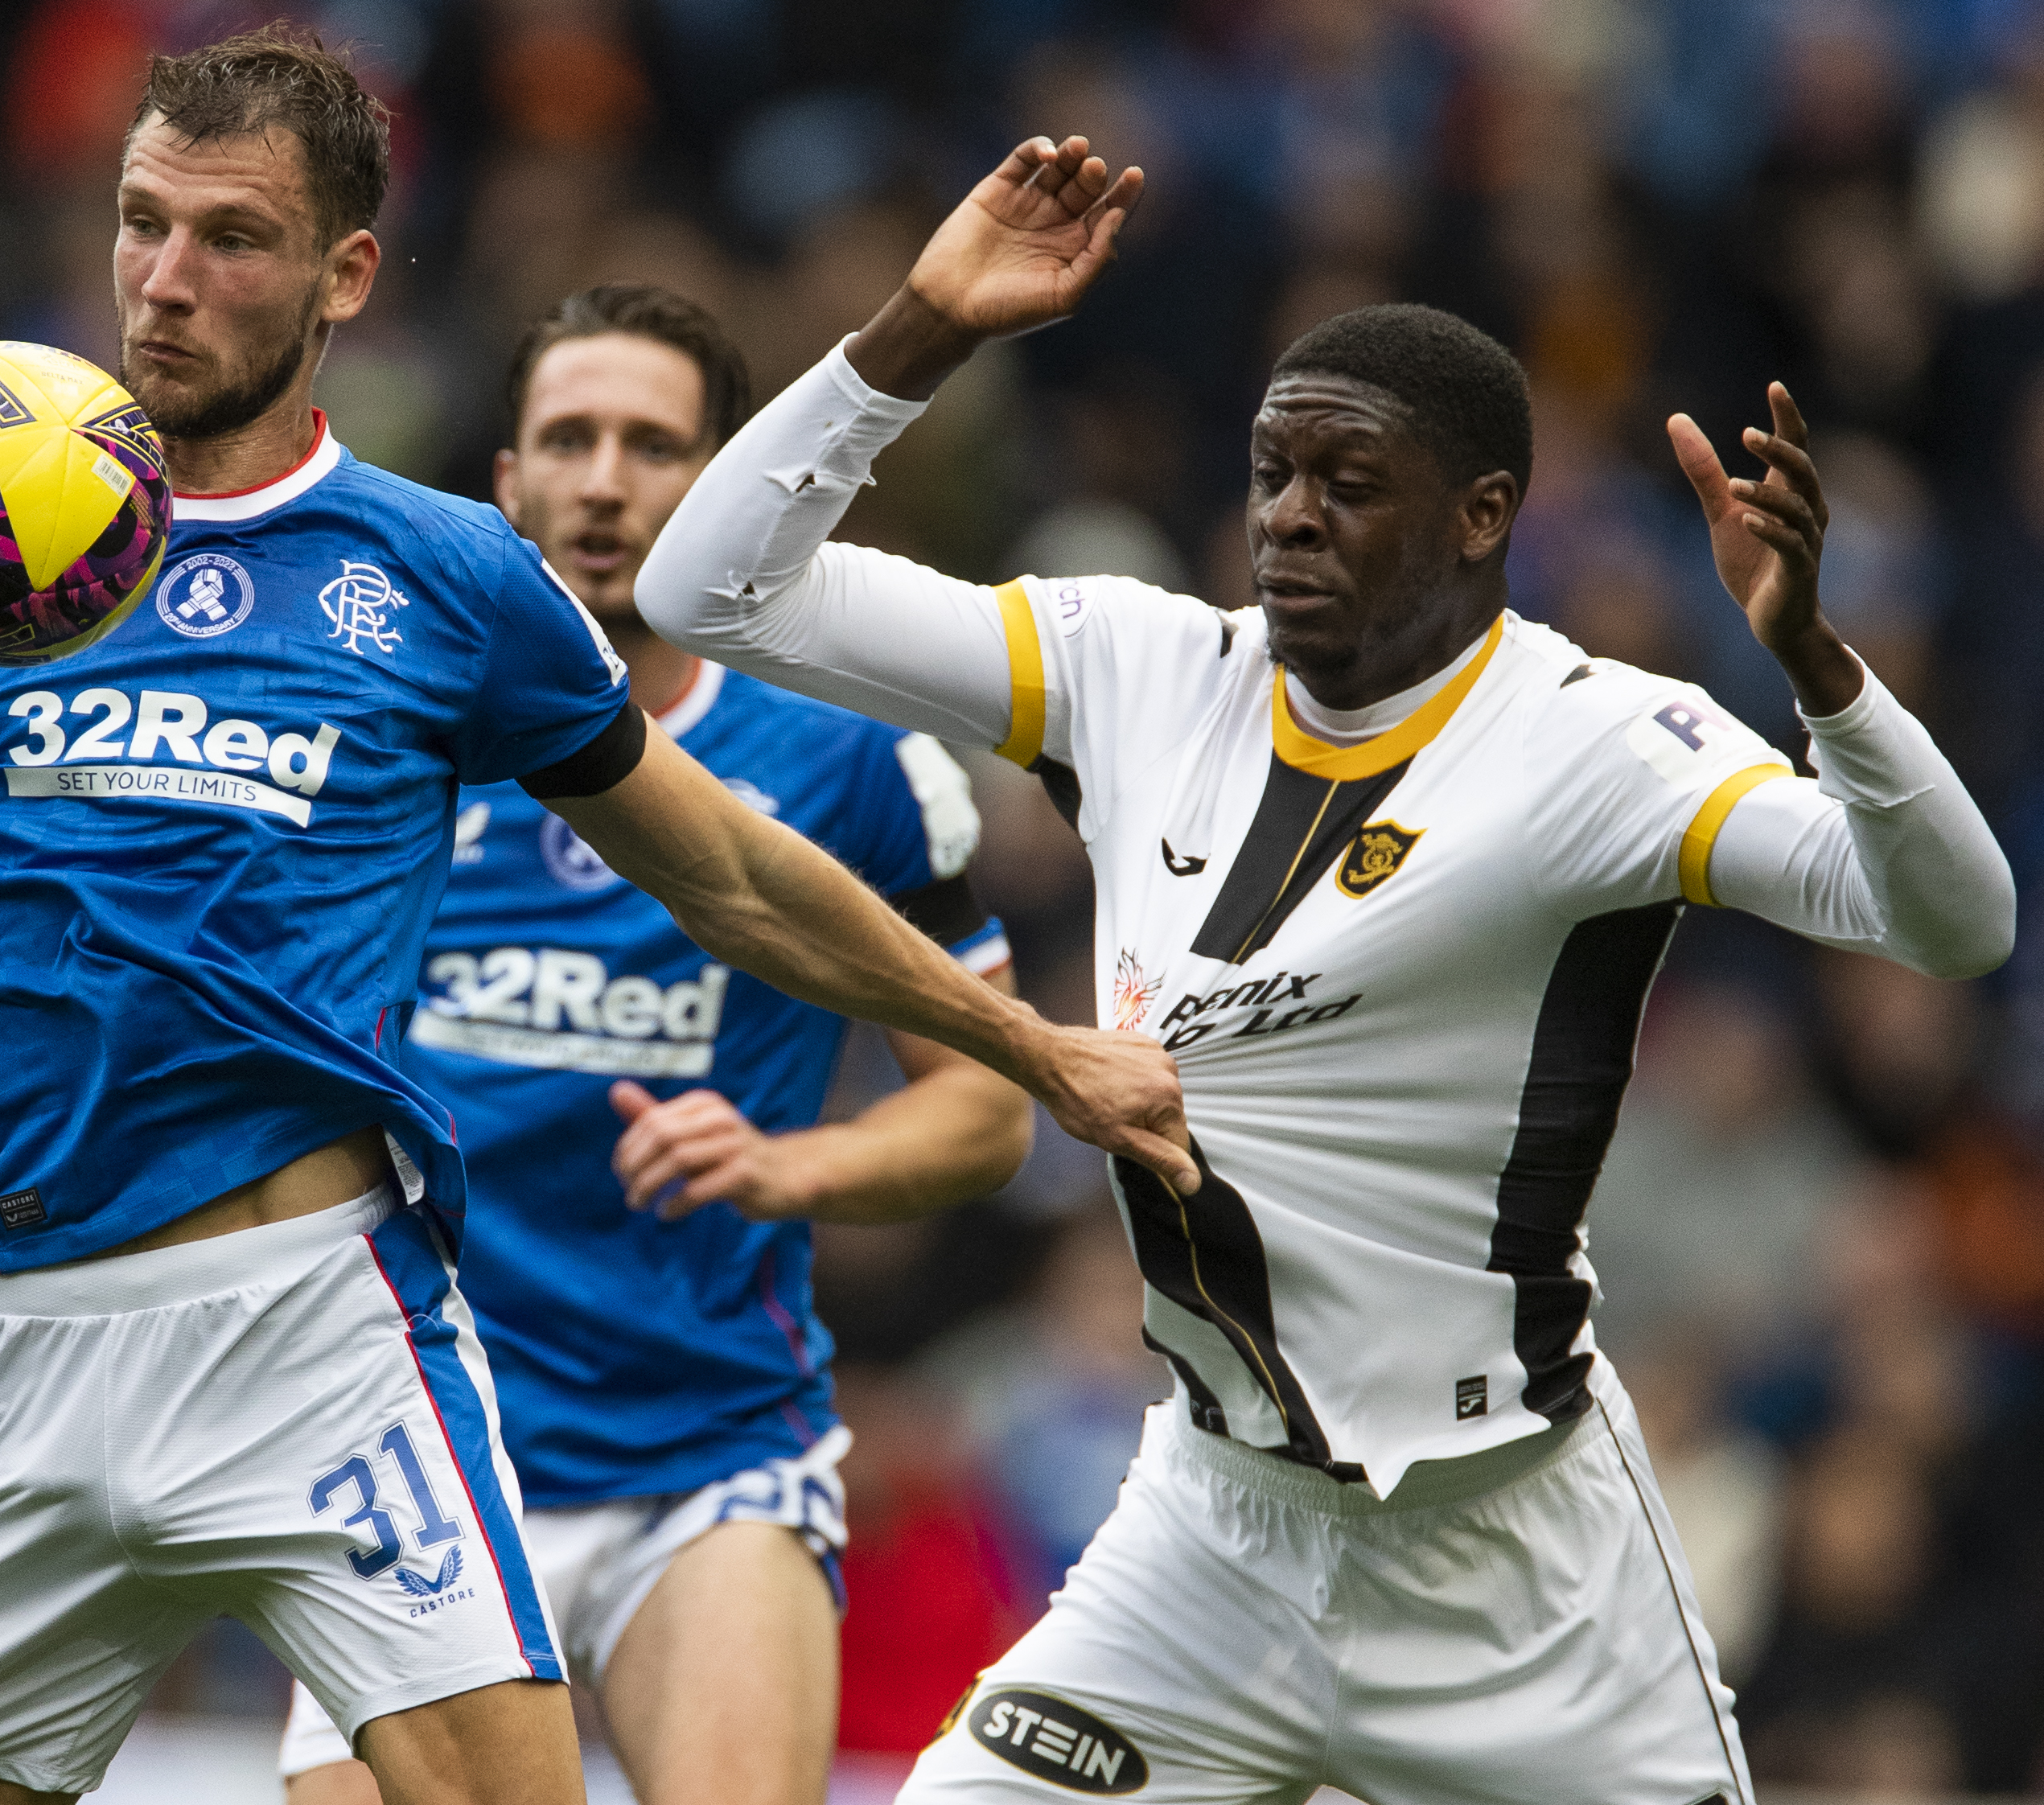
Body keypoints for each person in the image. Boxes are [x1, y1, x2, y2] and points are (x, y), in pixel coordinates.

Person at [0, 54, 1195, 1805]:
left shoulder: (447, 577)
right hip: (18, 1349)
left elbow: (721, 870)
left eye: (229, 238)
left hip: (321, 1340)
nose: (164, 282)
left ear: (344, 275)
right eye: (140, 222)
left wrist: (1033, 1054)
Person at [635, 135, 2016, 1805]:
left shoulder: (1598, 745)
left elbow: (1954, 924)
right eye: (1271, 472)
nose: (1289, 515)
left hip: (1511, 1568)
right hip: (1211, 1539)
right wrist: (922, 325)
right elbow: (705, 587)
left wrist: (1822, 672)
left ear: (1483, 515)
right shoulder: (1135, 666)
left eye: (1347, 483)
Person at [277, 285, 1033, 1805]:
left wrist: (787, 1162)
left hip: (708, 1454)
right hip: (418, 1453)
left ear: (717, 482)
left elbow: (988, 1120)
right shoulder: (380, 748)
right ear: (505, 482)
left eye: (652, 444)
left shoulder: (846, 759)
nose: (605, 480)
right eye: (567, 438)